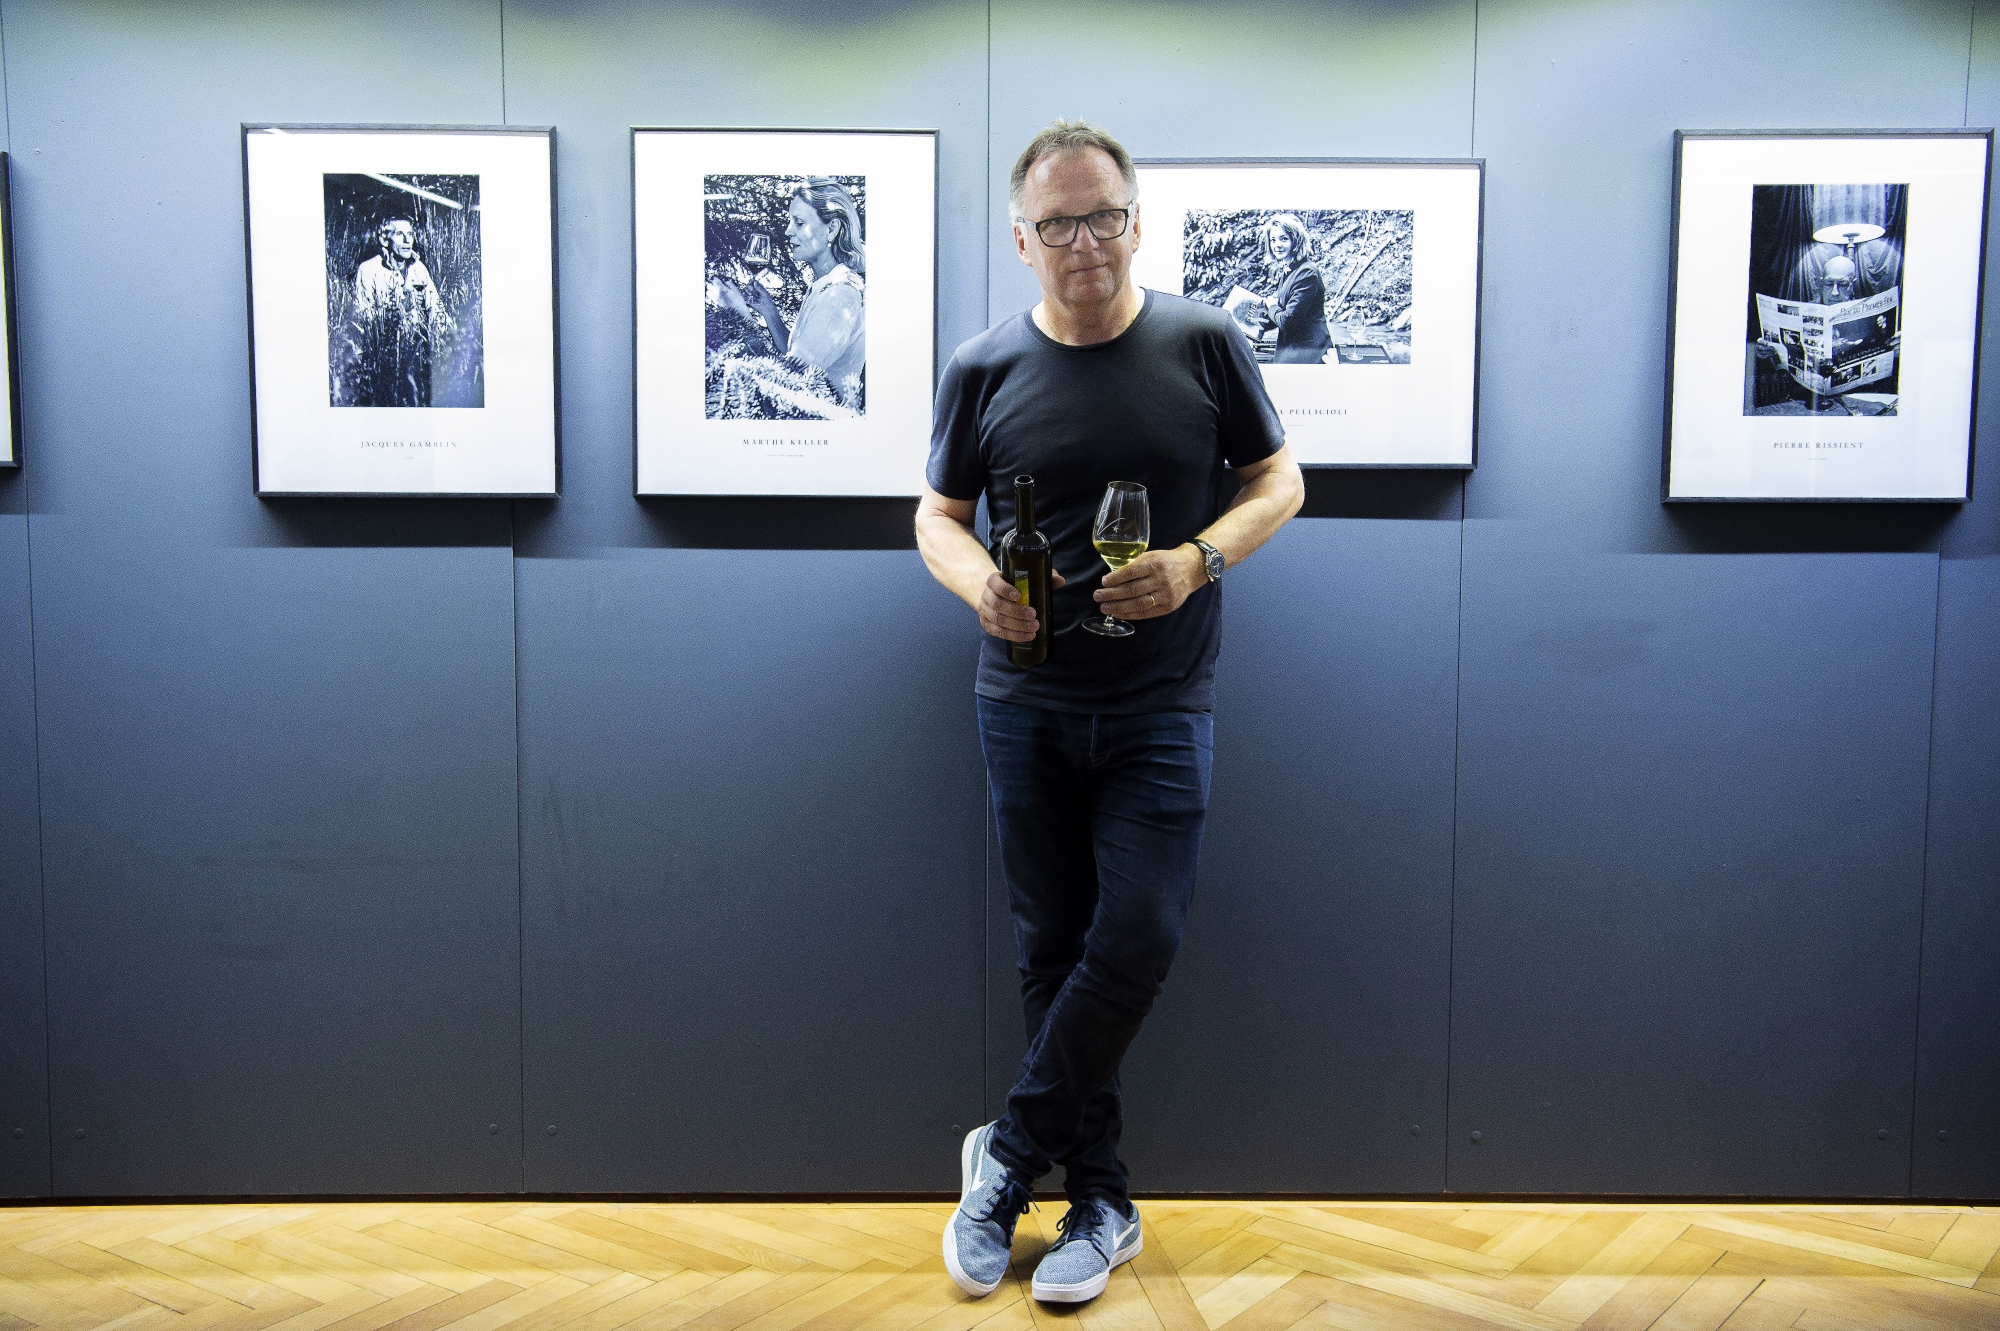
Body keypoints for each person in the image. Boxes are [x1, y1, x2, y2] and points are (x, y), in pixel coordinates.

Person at [917, 121, 1303, 1305]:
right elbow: (933, 516)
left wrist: (1197, 562)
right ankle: (1100, 1199)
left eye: (1102, 217)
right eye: (1056, 224)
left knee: (1135, 935)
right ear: (1020, 239)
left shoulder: (1202, 340)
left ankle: (1007, 1159)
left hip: (1157, 702)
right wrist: (975, 581)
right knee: (1051, 948)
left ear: (1134, 221)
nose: (1082, 242)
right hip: (1023, 701)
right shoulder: (981, 365)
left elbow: (1278, 481)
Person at [715, 178, 867, 413]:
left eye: (799, 222)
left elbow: (788, 381)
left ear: (832, 229)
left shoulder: (839, 298)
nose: (788, 231)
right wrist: (770, 313)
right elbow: (799, 355)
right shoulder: (824, 286)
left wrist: (741, 318)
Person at [348, 217, 445, 407]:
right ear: (385, 240)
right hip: (385, 358)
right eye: (400, 235)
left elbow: (436, 308)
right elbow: (362, 317)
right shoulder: (368, 270)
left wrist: (443, 341)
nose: (408, 241)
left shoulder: (419, 268)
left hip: (419, 353)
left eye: (410, 234)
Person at [1261, 214, 1333, 364]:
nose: (1277, 245)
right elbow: (1283, 313)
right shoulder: (1289, 270)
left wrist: (1272, 306)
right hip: (1293, 347)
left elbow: (1288, 321)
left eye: (1283, 239)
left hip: (1309, 351)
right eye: (1273, 240)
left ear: (1296, 240)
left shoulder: (1306, 273)